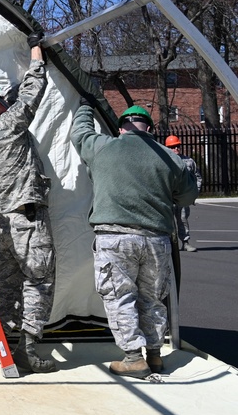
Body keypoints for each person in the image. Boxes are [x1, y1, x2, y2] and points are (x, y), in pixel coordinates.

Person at [71, 104, 199, 378]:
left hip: (115, 238)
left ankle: (132, 357)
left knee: (120, 297)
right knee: (153, 298)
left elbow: (79, 134)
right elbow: (187, 196)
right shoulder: (170, 158)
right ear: (149, 129)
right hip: (156, 239)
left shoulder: (103, 146)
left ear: (120, 128)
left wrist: (85, 108)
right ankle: (154, 355)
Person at [0, 33, 56, 373]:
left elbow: (12, 104)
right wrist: (37, 54)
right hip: (26, 217)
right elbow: (32, 95)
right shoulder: (8, 125)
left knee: (7, 284)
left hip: (3, 222)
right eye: (1, 101)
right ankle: (28, 350)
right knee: (39, 278)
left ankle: (1, 345)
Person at [165, 135, 203, 252]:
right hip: (168, 197)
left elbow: (197, 178)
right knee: (167, 221)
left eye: (177, 146)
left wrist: (193, 194)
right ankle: (169, 244)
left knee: (182, 219)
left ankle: (185, 242)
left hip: (182, 197)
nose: (175, 149)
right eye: (172, 147)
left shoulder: (189, 161)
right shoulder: (163, 161)